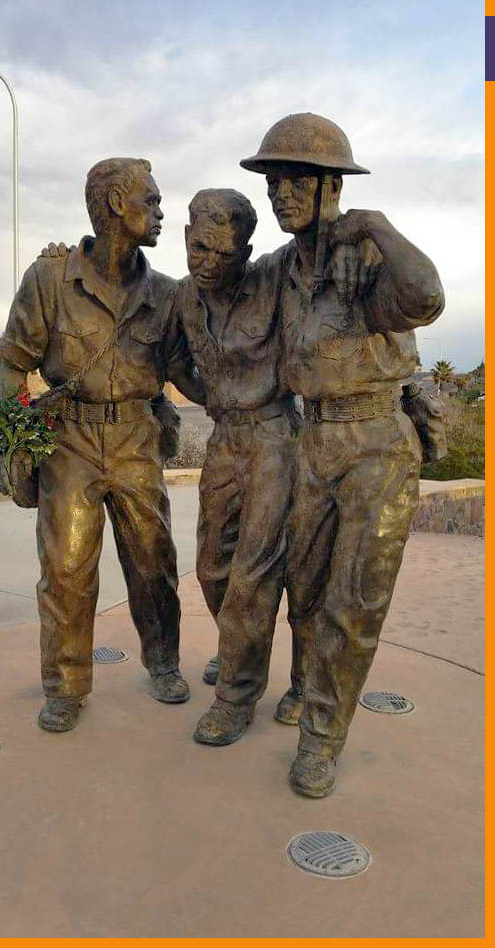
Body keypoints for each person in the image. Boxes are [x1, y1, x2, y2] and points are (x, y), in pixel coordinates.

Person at [241, 113, 444, 795]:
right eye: (273, 182)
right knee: (304, 587)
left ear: (331, 185)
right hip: (313, 440)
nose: (279, 195)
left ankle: (323, 735)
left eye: (292, 180)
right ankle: (307, 683)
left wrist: (379, 228)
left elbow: (427, 298)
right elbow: (212, 293)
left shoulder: (367, 254)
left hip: (375, 445)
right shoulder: (281, 268)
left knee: (353, 601)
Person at [0, 157, 204, 733]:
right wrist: (14, 443)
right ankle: (65, 684)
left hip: (137, 436)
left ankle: (162, 662)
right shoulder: (50, 279)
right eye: (152, 202)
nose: (162, 213)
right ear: (116, 204)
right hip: (70, 441)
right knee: (65, 568)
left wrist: (247, 386)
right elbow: (13, 364)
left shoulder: (167, 294)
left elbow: (188, 373)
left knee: (153, 561)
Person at [175, 189, 302, 745]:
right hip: (224, 436)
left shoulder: (274, 277)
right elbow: (173, 359)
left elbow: (321, 242)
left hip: (275, 436)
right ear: (185, 238)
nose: (208, 264)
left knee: (255, 571)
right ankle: (238, 649)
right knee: (211, 567)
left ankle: (237, 695)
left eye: (224, 255)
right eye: (199, 249)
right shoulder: (181, 296)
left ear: (247, 249)